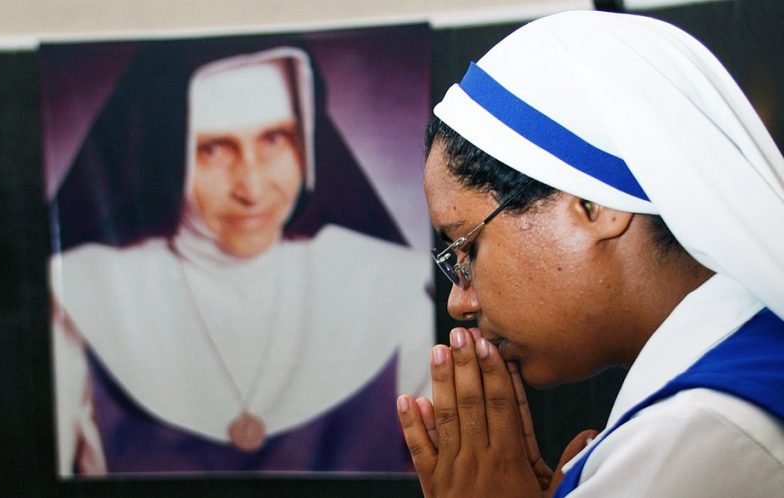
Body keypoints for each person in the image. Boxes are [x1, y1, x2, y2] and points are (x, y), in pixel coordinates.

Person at [397, 10, 783, 497]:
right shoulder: (746, 372)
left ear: (593, 205)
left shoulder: (697, 435)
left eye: (468, 247)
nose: (460, 302)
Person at [50, 42, 433, 475]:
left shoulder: (388, 290)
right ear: (166, 155)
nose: (251, 187)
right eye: (214, 149)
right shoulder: (84, 298)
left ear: (305, 142)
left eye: (274, 139)